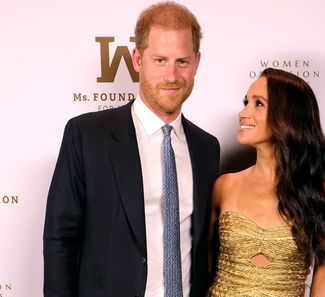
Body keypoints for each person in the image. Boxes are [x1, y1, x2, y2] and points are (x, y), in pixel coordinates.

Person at [43, 2, 220, 297]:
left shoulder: (207, 148)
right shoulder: (87, 135)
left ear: (197, 62)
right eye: (160, 60)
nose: (172, 75)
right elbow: (60, 238)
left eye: (182, 62)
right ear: (137, 59)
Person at [209, 68, 325, 297]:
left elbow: (323, 283)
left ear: (288, 115)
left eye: (258, 104)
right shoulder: (225, 186)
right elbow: (206, 269)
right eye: (246, 102)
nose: (243, 112)